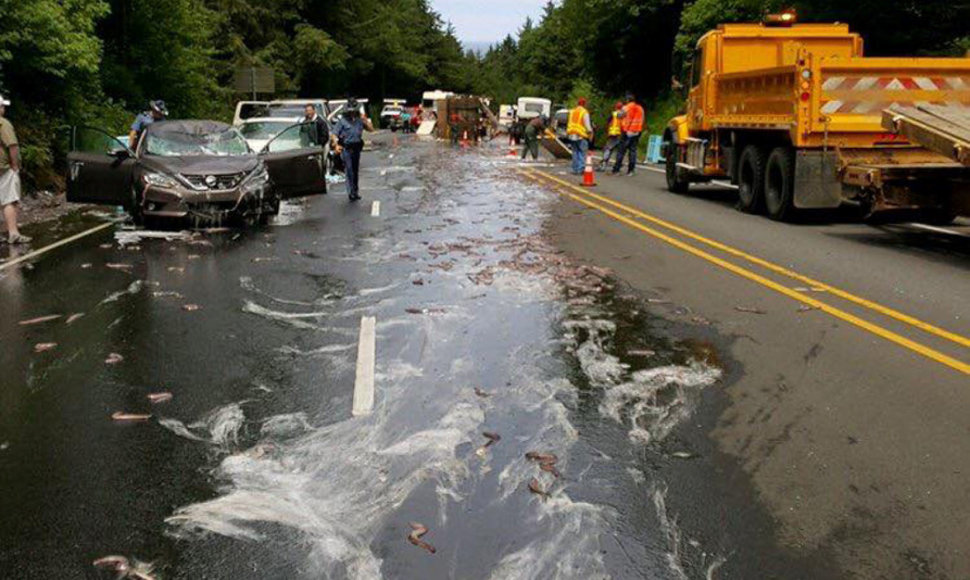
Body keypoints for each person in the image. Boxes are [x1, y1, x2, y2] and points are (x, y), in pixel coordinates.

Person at [330, 98, 373, 201]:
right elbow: (334, 134)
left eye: (354, 110)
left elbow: (371, 129)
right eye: (351, 110)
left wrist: (365, 120)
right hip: (346, 148)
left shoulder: (359, 120)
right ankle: (351, 193)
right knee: (349, 170)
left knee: (355, 170)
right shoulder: (343, 121)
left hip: (356, 148)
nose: (352, 112)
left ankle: (355, 191)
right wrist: (336, 145)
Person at [0, 95, 29, 244]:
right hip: (3, 168)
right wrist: (15, 165)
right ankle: (13, 233)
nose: (3, 109)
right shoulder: (3, 123)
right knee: (9, 200)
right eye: (2, 106)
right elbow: (12, 145)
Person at [612, 93, 645, 176]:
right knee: (633, 151)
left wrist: (616, 113)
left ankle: (616, 169)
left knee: (621, 150)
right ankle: (631, 170)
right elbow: (642, 120)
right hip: (636, 131)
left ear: (627, 100)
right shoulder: (640, 108)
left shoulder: (626, 107)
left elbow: (619, 116)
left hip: (626, 131)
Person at [567, 97, 593, 175]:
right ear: (584, 104)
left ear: (577, 103)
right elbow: (587, 125)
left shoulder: (572, 111)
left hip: (571, 134)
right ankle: (580, 169)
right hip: (580, 135)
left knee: (575, 152)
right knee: (582, 152)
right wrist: (590, 132)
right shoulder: (584, 112)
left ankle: (575, 169)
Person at [599, 101, 624, 171]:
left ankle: (603, 164)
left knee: (608, 149)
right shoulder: (624, 114)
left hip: (613, 134)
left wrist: (607, 131)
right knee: (619, 151)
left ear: (616, 107)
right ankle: (618, 165)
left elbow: (608, 122)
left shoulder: (613, 114)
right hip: (621, 134)